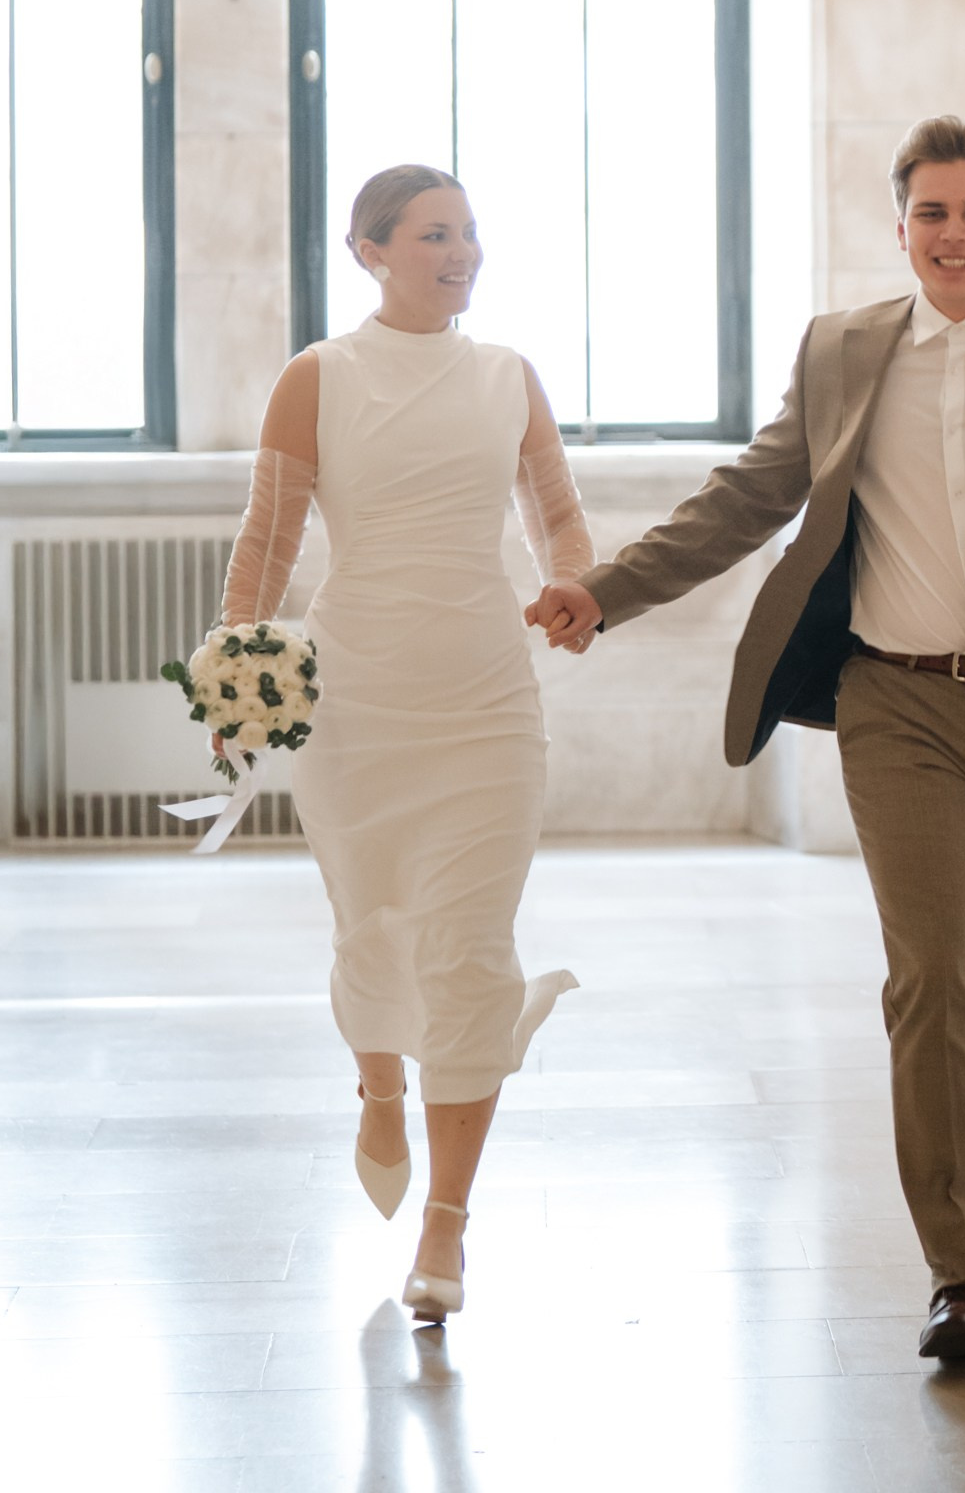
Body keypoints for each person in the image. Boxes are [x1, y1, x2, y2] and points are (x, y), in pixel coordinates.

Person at [527, 114, 965, 1363]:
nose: (952, 235)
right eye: (930, 213)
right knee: (931, 975)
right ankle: (959, 1275)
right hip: (892, 704)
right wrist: (608, 589)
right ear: (898, 225)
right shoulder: (843, 351)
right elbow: (749, 495)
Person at [223, 162, 591, 1325]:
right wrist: (237, 656)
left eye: (470, 234)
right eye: (435, 234)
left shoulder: (506, 377)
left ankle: (447, 1225)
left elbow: (556, 515)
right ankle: (376, 1078)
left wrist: (572, 584)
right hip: (357, 709)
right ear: (370, 251)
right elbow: (269, 536)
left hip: (485, 705)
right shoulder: (316, 379)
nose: (461, 253)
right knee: (372, 927)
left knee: (470, 950)